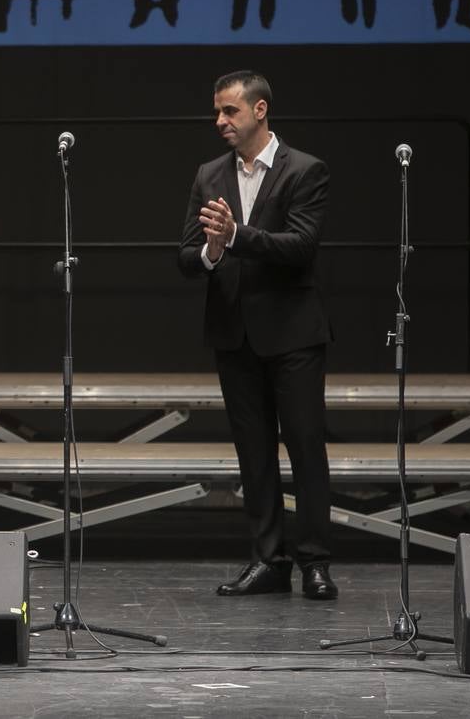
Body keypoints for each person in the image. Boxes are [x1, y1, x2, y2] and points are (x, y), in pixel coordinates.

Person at [178, 70, 336, 600]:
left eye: (230, 111)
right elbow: (186, 255)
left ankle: (315, 561)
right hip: (234, 333)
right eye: (217, 112)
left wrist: (237, 236)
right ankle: (269, 560)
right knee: (254, 454)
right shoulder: (208, 174)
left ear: (260, 111)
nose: (219, 121)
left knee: (307, 450)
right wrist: (211, 252)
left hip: (292, 335)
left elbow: (301, 247)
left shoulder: (305, 171)